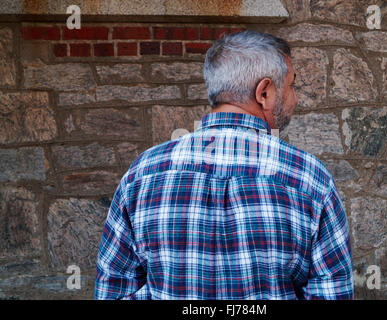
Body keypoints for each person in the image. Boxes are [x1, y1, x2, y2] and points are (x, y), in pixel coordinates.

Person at [94, 30, 354, 300]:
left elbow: (113, 290)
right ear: (264, 92)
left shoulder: (143, 174)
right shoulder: (310, 179)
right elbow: (333, 294)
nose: (295, 98)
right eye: (291, 86)